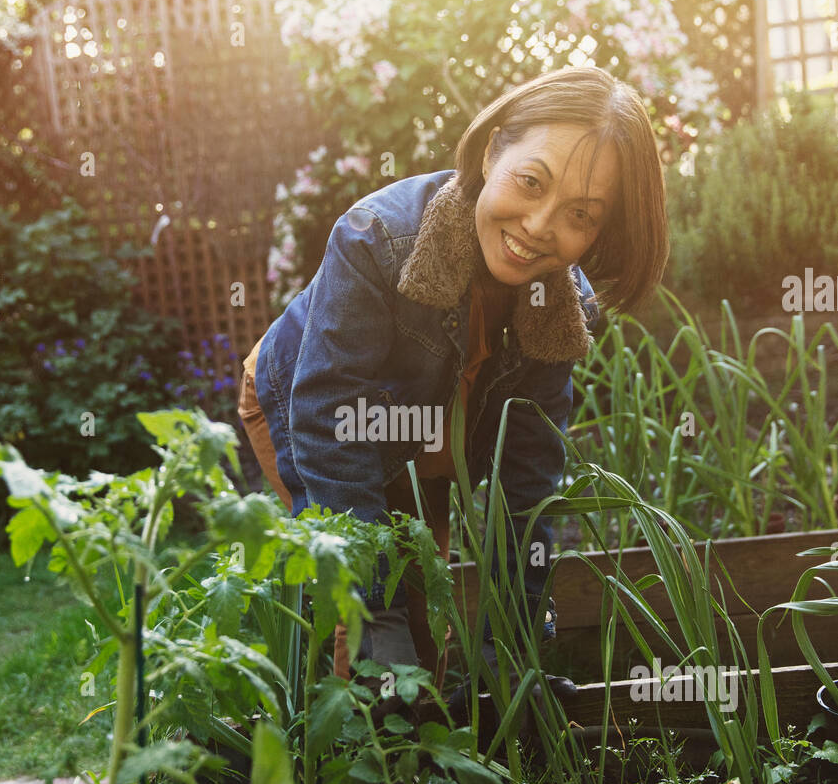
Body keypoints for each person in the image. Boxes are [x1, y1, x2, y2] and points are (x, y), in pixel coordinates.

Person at [238, 64, 668, 712]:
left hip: (424, 434)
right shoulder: (376, 240)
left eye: (579, 214)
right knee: (372, 633)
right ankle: (330, 772)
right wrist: (371, 607)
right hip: (305, 402)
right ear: (492, 150)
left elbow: (529, 476)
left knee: (424, 640)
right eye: (530, 182)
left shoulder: (559, 308)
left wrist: (515, 635)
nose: (538, 226)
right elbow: (329, 422)